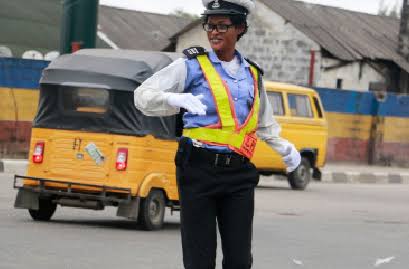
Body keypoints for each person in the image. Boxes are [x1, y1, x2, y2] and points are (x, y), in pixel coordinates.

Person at [134, 0, 301, 268]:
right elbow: (142, 96)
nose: (214, 32)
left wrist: (284, 148)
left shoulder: (253, 74)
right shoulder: (190, 66)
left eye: (223, 26)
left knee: (239, 260)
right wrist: (175, 99)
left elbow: (263, 122)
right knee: (199, 260)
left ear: (240, 29)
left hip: (239, 175)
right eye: (210, 26)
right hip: (197, 170)